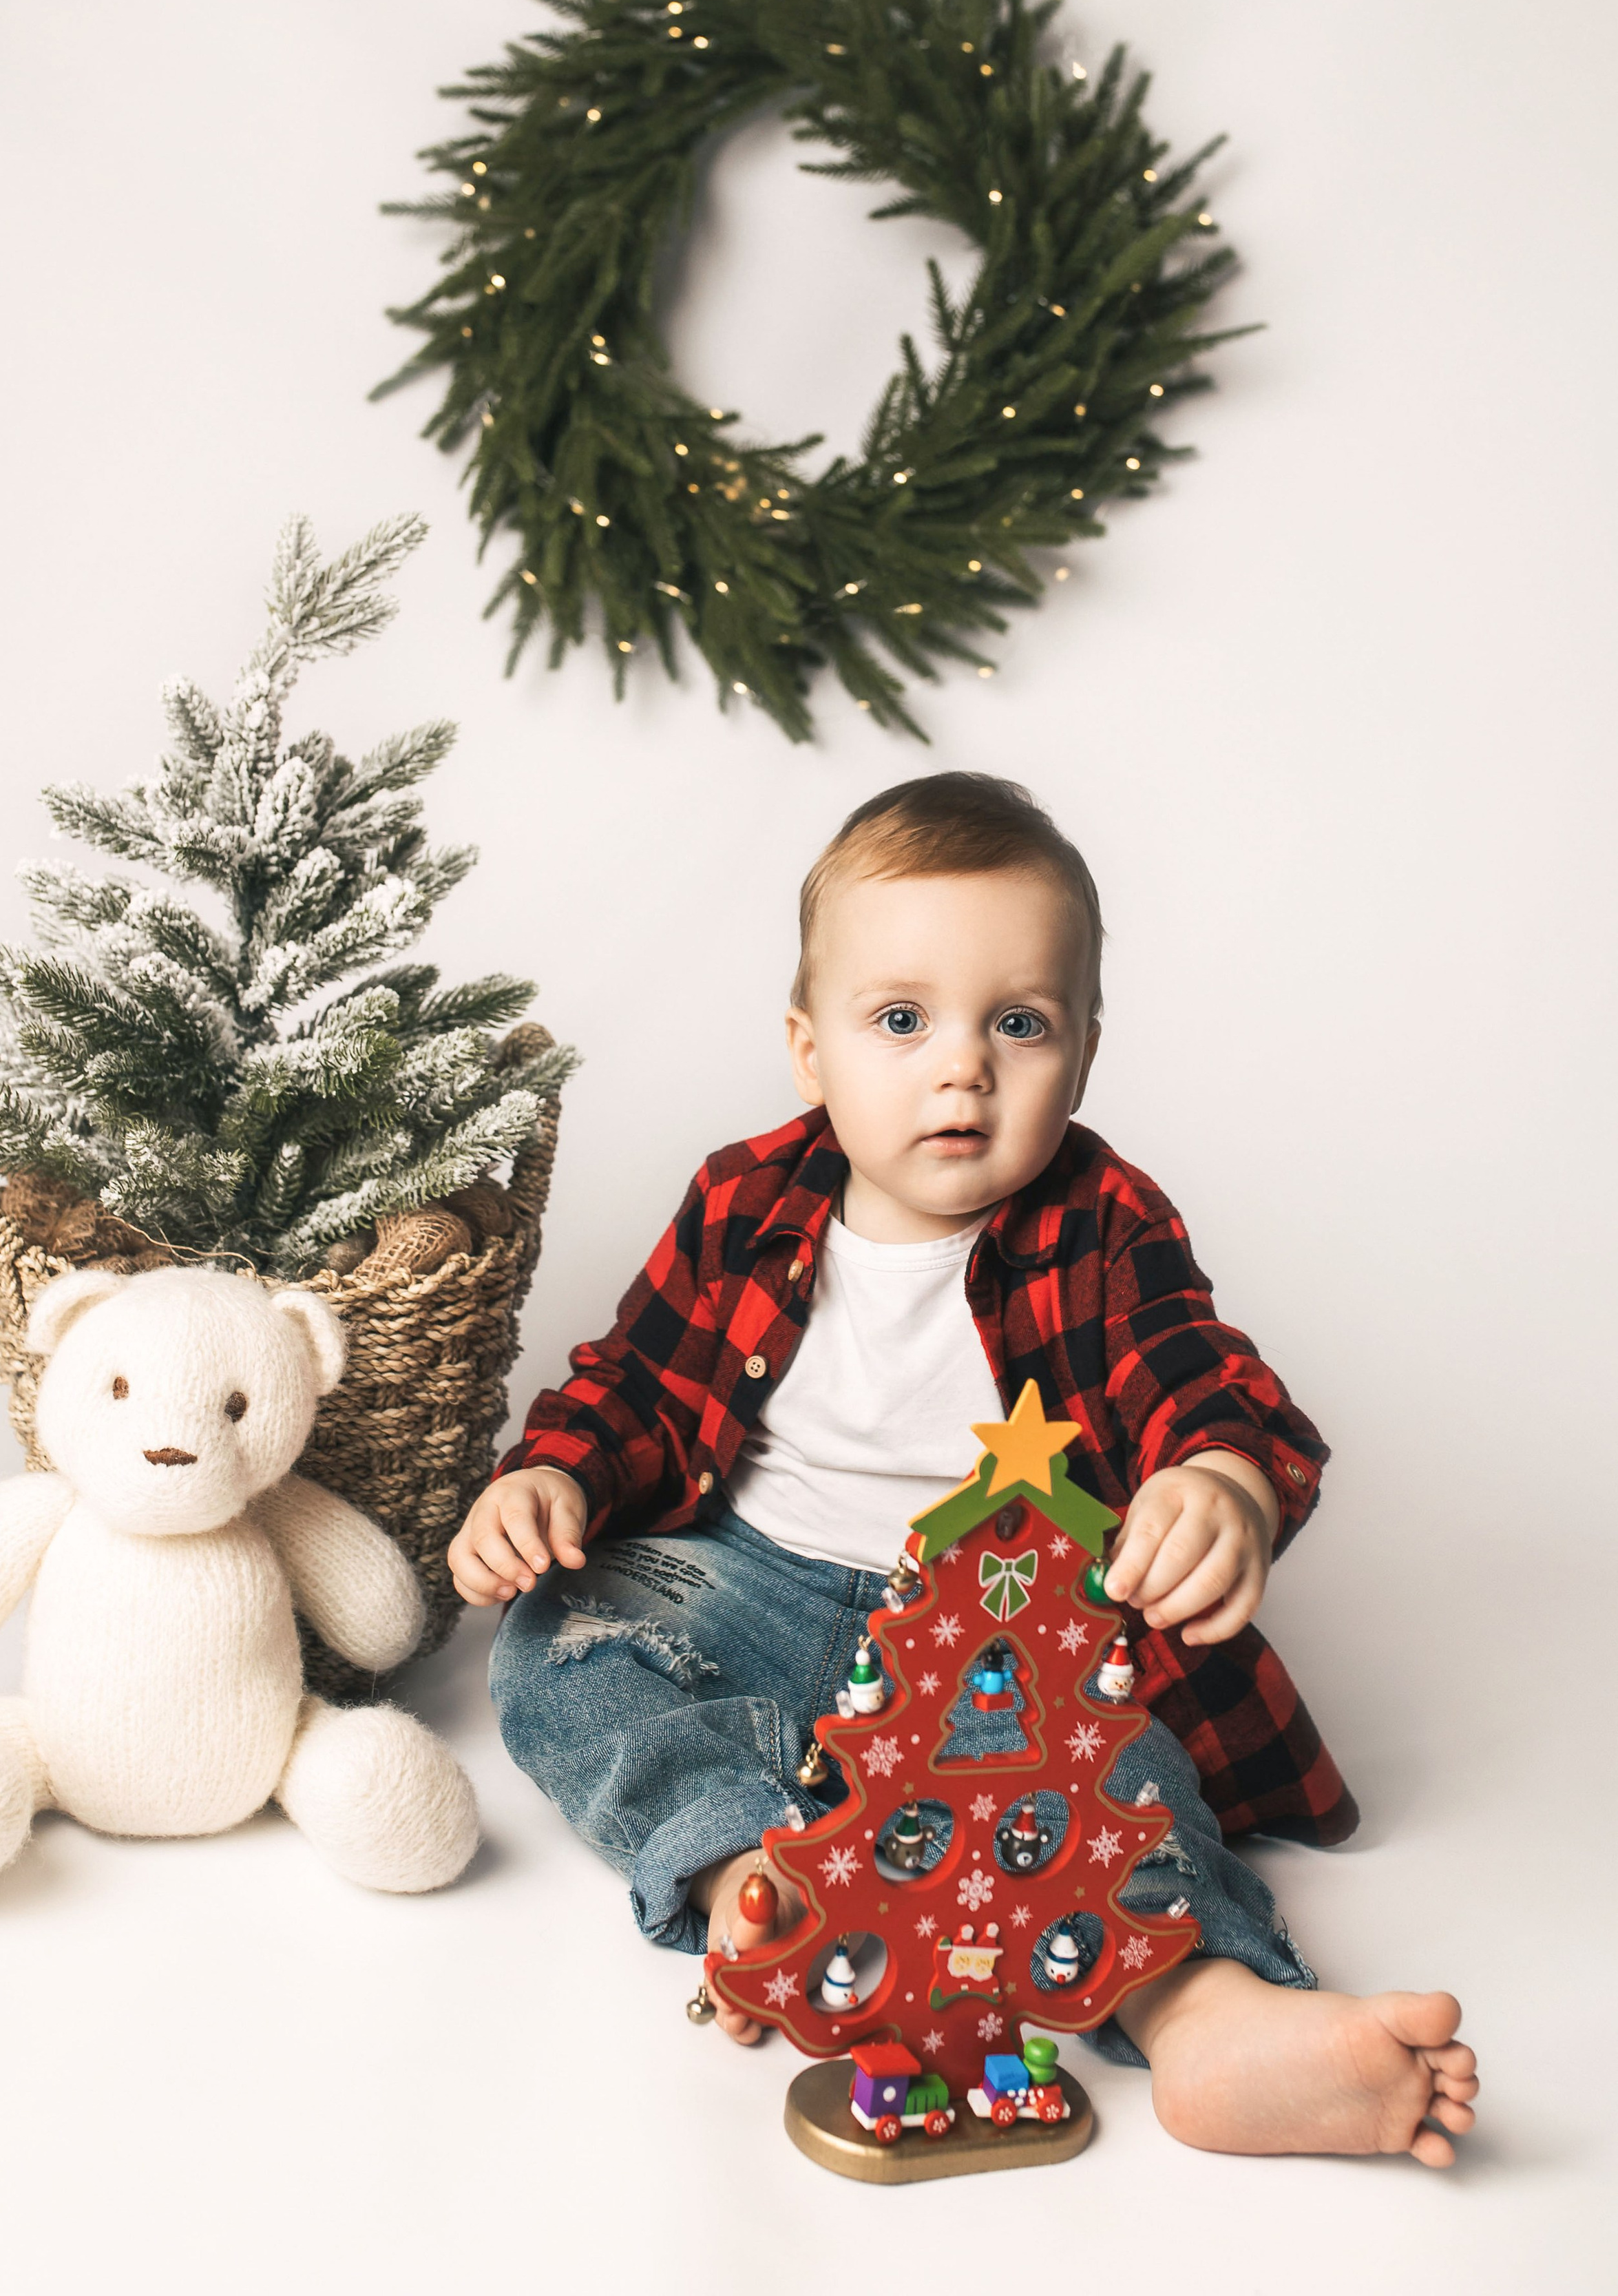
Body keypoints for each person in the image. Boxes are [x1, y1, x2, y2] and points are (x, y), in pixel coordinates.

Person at [450, 773, 1478, 2164]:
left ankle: (1204, 2013)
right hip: (751, 1585)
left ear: (1085, 1053)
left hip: (1001, 1634)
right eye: (900, 1021)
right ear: (809, 1051)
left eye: (1019, 1024)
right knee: (554, 1645)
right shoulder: (743, 1201)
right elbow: (631, 1385)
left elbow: (1196, 1378)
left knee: (1116, 1771)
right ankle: (762, 1872)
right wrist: (553, 1480)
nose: (963, 1069)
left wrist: (1219, 1482)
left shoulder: (1103, 1225)